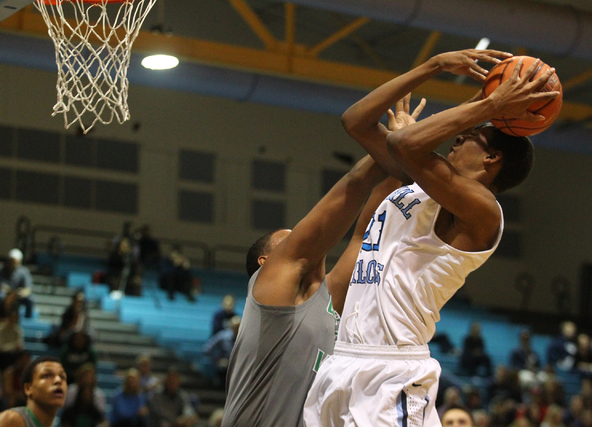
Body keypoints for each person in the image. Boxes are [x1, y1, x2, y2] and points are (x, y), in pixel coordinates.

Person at [304, 48, 557, 426]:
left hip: (393, 371)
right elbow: (356, 121)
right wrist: (432, 66)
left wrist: (490, 106)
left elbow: (404, 144)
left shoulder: (483, 212)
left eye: (469, 138)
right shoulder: (415, 182)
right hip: (342, 358)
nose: (455, 140)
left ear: (492, 160)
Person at [223, 118, 406, 424]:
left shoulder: (328, 302)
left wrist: (397, 164)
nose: (300, 239)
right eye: (289, 240)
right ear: (265, 264)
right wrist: (391, 149)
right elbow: (352, 187)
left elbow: (365, 234)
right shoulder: (268, 295)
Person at [0, 356, 67, 427]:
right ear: (28, 388)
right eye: (47, 375)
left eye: (62, 377)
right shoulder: (11, 420)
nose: (58, 380)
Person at [0, 249, 34, 318]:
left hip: (18, 295)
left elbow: (28, 288)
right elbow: (1, 286)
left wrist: (21, 292)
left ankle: (28, 319)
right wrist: (11, 292)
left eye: (15, 262)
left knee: (30, 299)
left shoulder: (24, 272)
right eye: (11, 261)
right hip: (6, 294)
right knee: (0, 295)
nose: (12, 264)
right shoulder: (1, 270)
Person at [203, 316, 239, 388]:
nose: (237, 329)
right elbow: (207, 349)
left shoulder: (242, 338)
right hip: (224, 367)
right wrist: (217, 361)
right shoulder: (223, 336)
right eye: (236, 327)